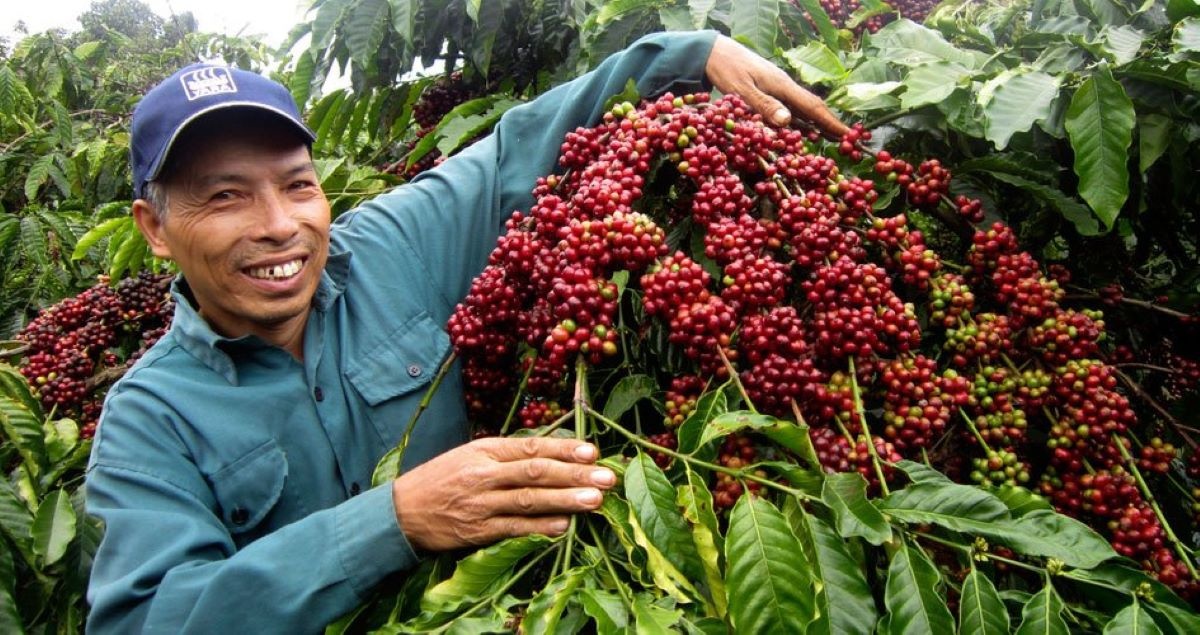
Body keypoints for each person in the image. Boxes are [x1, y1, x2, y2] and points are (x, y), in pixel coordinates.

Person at [84, 29, 847, 633]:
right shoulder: (149, 419)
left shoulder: (392, 246)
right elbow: (148, 618)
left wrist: (689, 52)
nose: (280, 226)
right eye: (225, 197)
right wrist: (394, 520)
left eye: (297, 185)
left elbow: (521, 146)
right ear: (155, 228)